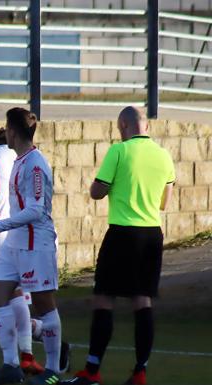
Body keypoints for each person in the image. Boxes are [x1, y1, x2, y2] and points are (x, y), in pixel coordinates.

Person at [60, 106, 174, 385]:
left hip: (123, 232)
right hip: (152, 234)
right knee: (142, 299)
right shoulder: (164, 155)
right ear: (145, 126)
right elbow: (164, 202)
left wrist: (109, 187)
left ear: (123, 125)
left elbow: (97, 192)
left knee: (103, 297)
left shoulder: (119, 151)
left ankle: (92, 368)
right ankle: (140, 371)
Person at [0, 107, 61, 385]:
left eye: (7, 128)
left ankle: (52, 370)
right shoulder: (19, 160)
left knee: (44, 306)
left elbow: (37, 210)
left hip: (36, 244)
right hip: (14, 244)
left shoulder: (36, 163)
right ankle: (12, 366)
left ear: (13, 130)